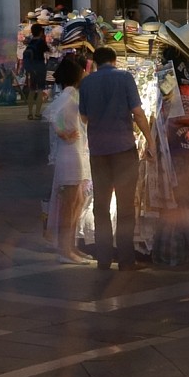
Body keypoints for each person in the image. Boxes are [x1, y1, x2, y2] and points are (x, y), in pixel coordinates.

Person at [78, 44, 143, 271]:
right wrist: (150, 140)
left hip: (98, 151)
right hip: (124, 149)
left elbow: (84, 116)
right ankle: (126, 259)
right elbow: (138, 112)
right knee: (126, 207)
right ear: (114, 60)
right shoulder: (125, 78)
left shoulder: (86, 82)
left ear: (95, 62)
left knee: (101, 206)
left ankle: (103, 258)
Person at [44, 58, 89, 262]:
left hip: (74, 153)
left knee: (77, 200)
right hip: (69, 155)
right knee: (69, 203)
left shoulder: (71, 95)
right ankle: (65, 249)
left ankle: (70, 246)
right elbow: (52, 114)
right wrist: (63, 132)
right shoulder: (68, 97)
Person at [21, 25, 50, 121]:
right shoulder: (41, 42)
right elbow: (47, 50)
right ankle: (37, 113)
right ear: (41, 32)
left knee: (32, 90)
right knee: (40, 90)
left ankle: (30, 113)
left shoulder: (30, 42)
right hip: (40, 66)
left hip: (32, 68)